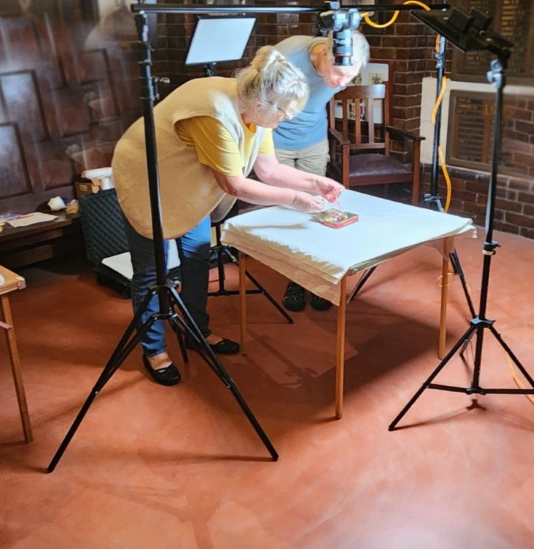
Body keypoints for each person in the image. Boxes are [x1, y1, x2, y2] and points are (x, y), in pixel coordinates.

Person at [111, 47, 346, 386]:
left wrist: (315, 183)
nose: (286, 120)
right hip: (149, 178)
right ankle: (154, 349)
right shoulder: (215, 111)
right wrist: (296, 199)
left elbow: (269, 170)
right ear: (264, 100)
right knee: (153, 271)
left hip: (188, 180)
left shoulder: (257, 107)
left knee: (196, 256)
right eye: (283, 113)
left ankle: (196, 331)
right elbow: (234, 185)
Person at [272, 31, 370, 312]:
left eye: (349, 78)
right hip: (277, 143)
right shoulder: (287, 57)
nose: (341, 83)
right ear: (325, 55)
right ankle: (294, 279)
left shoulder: (343, 67)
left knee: (316, 210)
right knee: (289, 210)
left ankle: (313, 279)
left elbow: (325, 95)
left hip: (314, 140)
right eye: (339, 74)